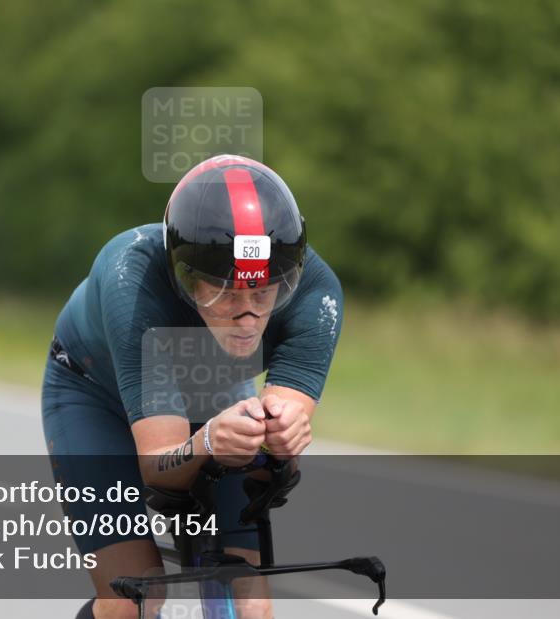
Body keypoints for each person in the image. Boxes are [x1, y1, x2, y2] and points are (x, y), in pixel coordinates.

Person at [42, 155, 345, 619]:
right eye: (224, 291)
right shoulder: (133, 280)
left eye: (264, 293)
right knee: (133, 599)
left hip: (215, 392)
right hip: (94, 395)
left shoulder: (316, 295)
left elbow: (272, 470)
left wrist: (280, 447)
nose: (247, 316)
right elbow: (159, 467)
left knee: (251, 605)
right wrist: (206, 442)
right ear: (183, 276)